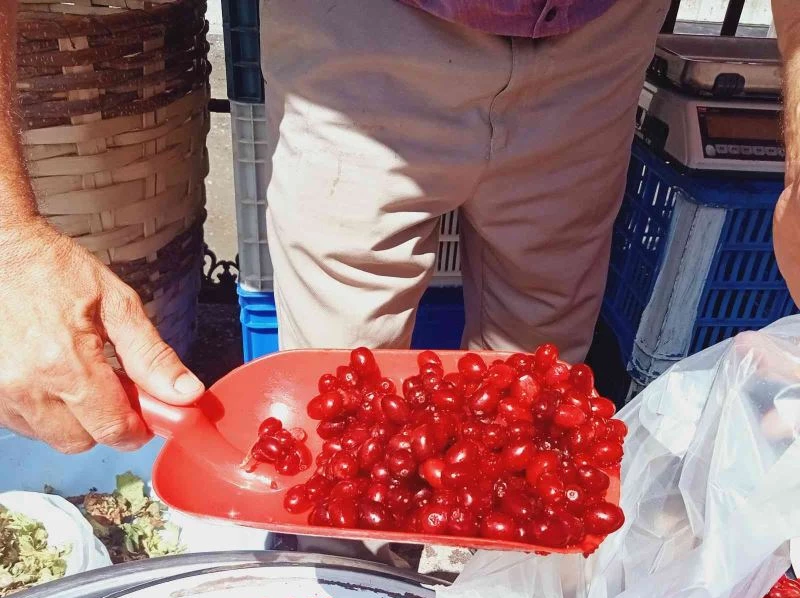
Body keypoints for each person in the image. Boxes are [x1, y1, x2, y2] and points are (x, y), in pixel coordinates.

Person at [0, 0, 799, 461]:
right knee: (334, 408)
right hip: (366, 22)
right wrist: (8, 239)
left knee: (539, 379)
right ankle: (345, 583)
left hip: (603, 30)